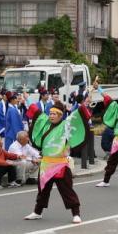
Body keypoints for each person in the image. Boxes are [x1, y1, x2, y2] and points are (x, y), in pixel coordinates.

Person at [23, 96, 91, 224]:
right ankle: (37, 212)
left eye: (54, 114)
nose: (51, 116)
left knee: (67, 190)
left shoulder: (66, 125)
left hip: (60, 164)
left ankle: (76, 213)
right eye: (50, 113)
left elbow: (78, 116)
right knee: (43, 190)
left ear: (61, 115)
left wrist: (84, 105)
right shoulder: (45, 123)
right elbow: (37, 113)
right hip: (46, 164)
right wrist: (27, 100)